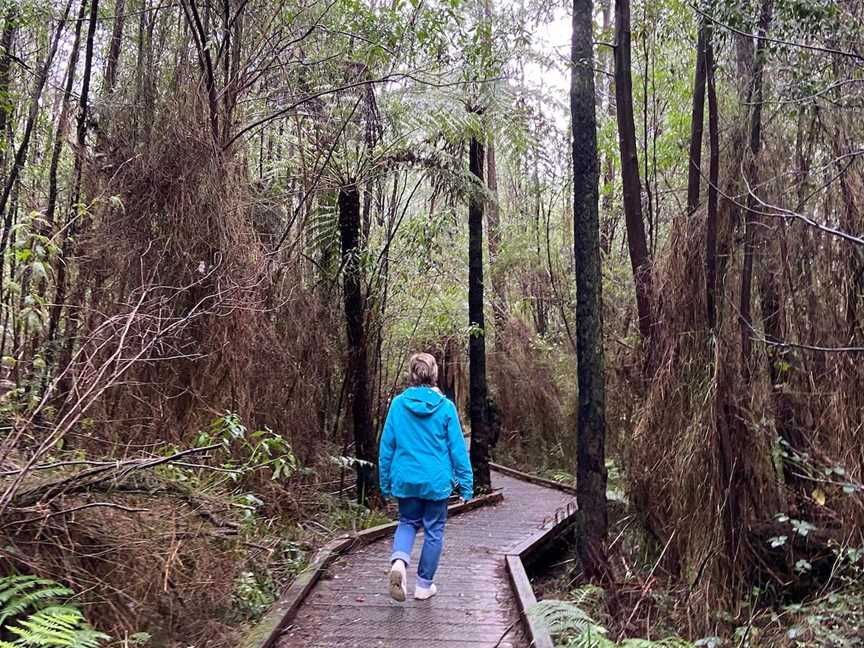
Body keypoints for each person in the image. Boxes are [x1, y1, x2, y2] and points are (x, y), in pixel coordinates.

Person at [378, 352, 474, 602]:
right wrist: (466, 485)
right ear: (434, 374)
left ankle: (399, 562)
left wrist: (385, 481)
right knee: (434, 530)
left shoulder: (398, 405)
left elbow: (387, 446)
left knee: (407, 522)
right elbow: (457, 449)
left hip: (406, 479)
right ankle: (423, 586)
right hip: (436, 481)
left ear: (411, 374)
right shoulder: (445, 407)